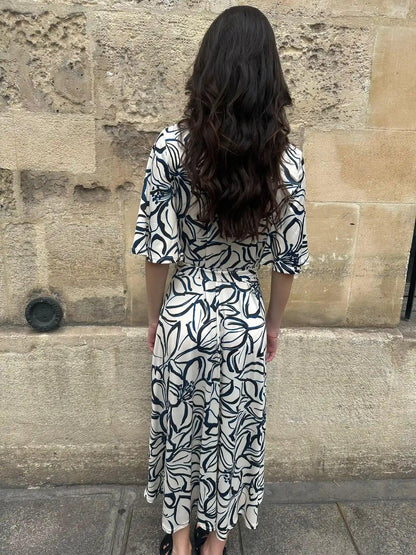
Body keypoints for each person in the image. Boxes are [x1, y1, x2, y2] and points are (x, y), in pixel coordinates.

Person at [131, 5, 310, 555]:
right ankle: (217, 546)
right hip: (244, 317)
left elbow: (157, 250)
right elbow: (286, 261)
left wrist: (157, 317)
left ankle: (182, 542)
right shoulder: (287, 162)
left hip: (184, 312)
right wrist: (272, 326)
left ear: (208, 68)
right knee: (233, 437)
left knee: (180, 432)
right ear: (270, 76)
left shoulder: (171, 148)